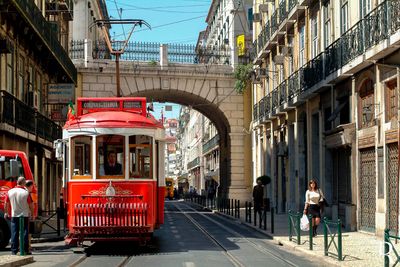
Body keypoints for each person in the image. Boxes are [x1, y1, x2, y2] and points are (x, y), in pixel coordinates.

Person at [4, 177, 33, 255]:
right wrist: (32, 213)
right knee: (25, 232)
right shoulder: (26, 192)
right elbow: (31, 204)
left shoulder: (10, 191)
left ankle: (14, 250)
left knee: (14, 232)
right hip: (24, 215)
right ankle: (25, 249)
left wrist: (6, 213)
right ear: (23, 183)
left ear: (17, 182)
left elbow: (6, 204)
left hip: (14, 215)